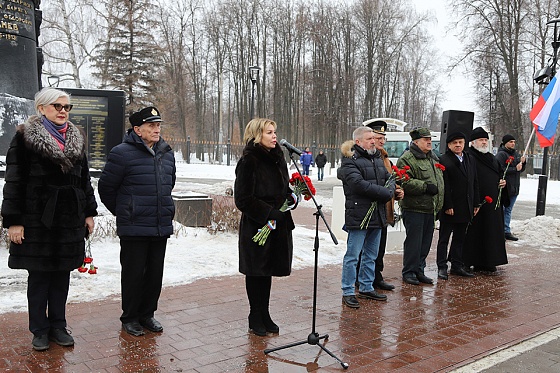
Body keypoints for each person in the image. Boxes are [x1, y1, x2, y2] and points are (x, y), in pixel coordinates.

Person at [1, 87, 97, 351]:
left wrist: (89, 211)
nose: (63, 111)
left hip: (68, 218)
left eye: (67, 107)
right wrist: (14, 221)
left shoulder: (76, 138)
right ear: (41, 109)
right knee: (40, 277)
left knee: (61, 276)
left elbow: (83, 179)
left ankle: (58, 325)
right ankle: (39, 329)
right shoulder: (24, 139)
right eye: (57, 106)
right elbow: (14, 182)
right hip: (37, 219)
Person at [98, 106, 176, 337]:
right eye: (151, 126)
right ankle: (130, 316)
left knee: (154, 273)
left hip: (160, 223)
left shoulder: (166, 152)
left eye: (158, 125)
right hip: (134, 226)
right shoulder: (121, 153)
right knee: (133, 273)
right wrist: (126, 210)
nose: (156, 129)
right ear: (137, 129)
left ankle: (147, 314)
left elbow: (169, 183)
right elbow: (106, 188)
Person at [234, 118, 298, 336]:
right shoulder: (249, 160)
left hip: (278, 222)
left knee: (268, 270)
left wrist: (291, 197)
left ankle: (265, 313)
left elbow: (283, 187)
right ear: (257, 135)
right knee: (256, 271)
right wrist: (269, 214)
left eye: (275, 131)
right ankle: (255, 315)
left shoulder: (278, 157)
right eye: (269, 132)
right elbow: (243, 199)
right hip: (257, 224)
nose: (274, 136)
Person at [338, 126, 395, 308]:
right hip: (359, 214)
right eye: (369, 138)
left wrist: (389, 191)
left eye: (374, 138)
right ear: (358, 142)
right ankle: (348, 290)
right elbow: (357, 184)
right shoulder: (350, 160)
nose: (373, 141)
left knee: (371, 255)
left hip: (377, 214)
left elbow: (390, 178)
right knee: (353, 255)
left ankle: (366, 286)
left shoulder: (377, 158)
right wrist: (384, 193)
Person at [396, 128, 444, 285]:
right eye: (425, 139)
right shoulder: (407, 159)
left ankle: (419, 270)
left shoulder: (432, 158)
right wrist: (425, 186)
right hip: (414, 208)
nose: (429, 141)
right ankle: (409, 271)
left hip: (430, 208)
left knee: (425, 243)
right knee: (414, 243)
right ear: (416, 142)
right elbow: (404, 181)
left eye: (430, 138)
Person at [462, 127, 508, 272]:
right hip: (476, 202)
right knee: (473, 233)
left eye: (485, 140)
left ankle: (488, 261)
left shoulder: (491, 158)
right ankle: (467, 260)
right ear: (473, 142)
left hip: (492, 203)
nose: (484, 143)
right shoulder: (469, 156)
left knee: (491, 232)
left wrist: (503, 182)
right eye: (481, 140)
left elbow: (500, 173)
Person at [365, 121, 404, 290]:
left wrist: (397, 190)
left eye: (383, 138)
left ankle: (377, 275)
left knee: (380, 247)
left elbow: (389, 179)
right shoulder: (367, 156)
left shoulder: (385, 157)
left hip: (385, 208)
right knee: (367, 248)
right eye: (378, 137)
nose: (381, 141)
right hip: (370, 209)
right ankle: (364, 278)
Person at [435, 132, 478, 280]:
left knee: (460, 238)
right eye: (455, 143)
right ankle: (442, 266)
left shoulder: (469, 159)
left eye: (460, 142)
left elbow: (474, 182)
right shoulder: (444, 160)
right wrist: (447, 205)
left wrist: (475, 203)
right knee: (444, 239)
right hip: (451, 207)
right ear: (449, 145)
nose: (458, 145)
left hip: (466, 206)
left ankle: (457, 265)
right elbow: (444, 185)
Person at [496, 134, 526, 241]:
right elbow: (499, 169)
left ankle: (506, 230)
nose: (513, 143)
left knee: (508, 210)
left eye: (514, 141)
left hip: (514, 187)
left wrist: (523, 163)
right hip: (505, 188)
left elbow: (520, 169)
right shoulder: (501, 155)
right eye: (510, 142)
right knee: (503, 210)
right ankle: (500, 231)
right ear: (505, 143)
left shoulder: (516, 154)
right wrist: (514, 169)